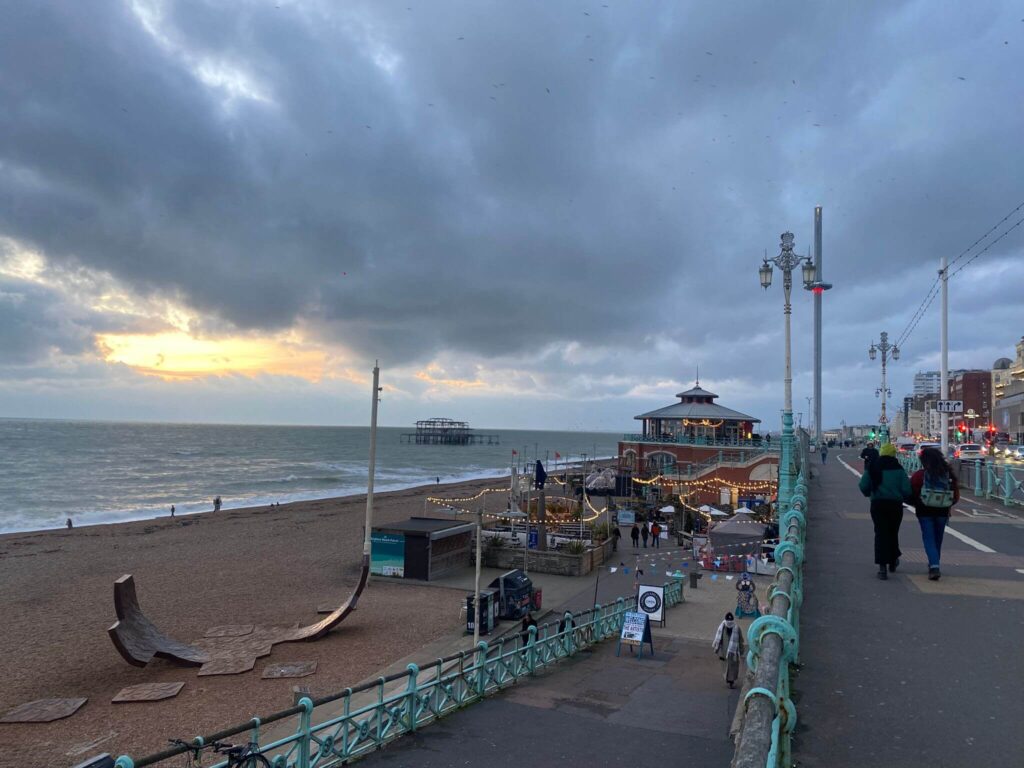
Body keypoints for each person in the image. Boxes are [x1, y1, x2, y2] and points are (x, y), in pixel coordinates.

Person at [858, 443, 911, 579]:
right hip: (895, 505)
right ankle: (893, 561)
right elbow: (907, 490)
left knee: (880, 533)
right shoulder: (899, 469)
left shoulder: (873, 467)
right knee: (893, 532)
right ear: (894, 454)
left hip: (878, 504)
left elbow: (863, 485)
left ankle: (882, 568)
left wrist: (870, 493)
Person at [910, 447, 960, 580]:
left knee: (928, 538)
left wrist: (917, 502)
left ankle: (934, 565)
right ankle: (934, 563)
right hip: (942, 511)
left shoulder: (919, 475)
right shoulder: (948, 474)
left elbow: (911, 492)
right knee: (938, 539)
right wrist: (947, 503)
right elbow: (955, 495)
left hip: (924, 510)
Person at [712, 612, 746, 688]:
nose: (729, 623)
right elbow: (718, 640)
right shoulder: (722, 627)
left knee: (732, 668)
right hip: (724, 651)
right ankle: (729, 679)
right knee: (726, 667)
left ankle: (731, 681)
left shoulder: (736, 628)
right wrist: (719, 652)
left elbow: (740, 640)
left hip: (733, 652)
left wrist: (741, 650)